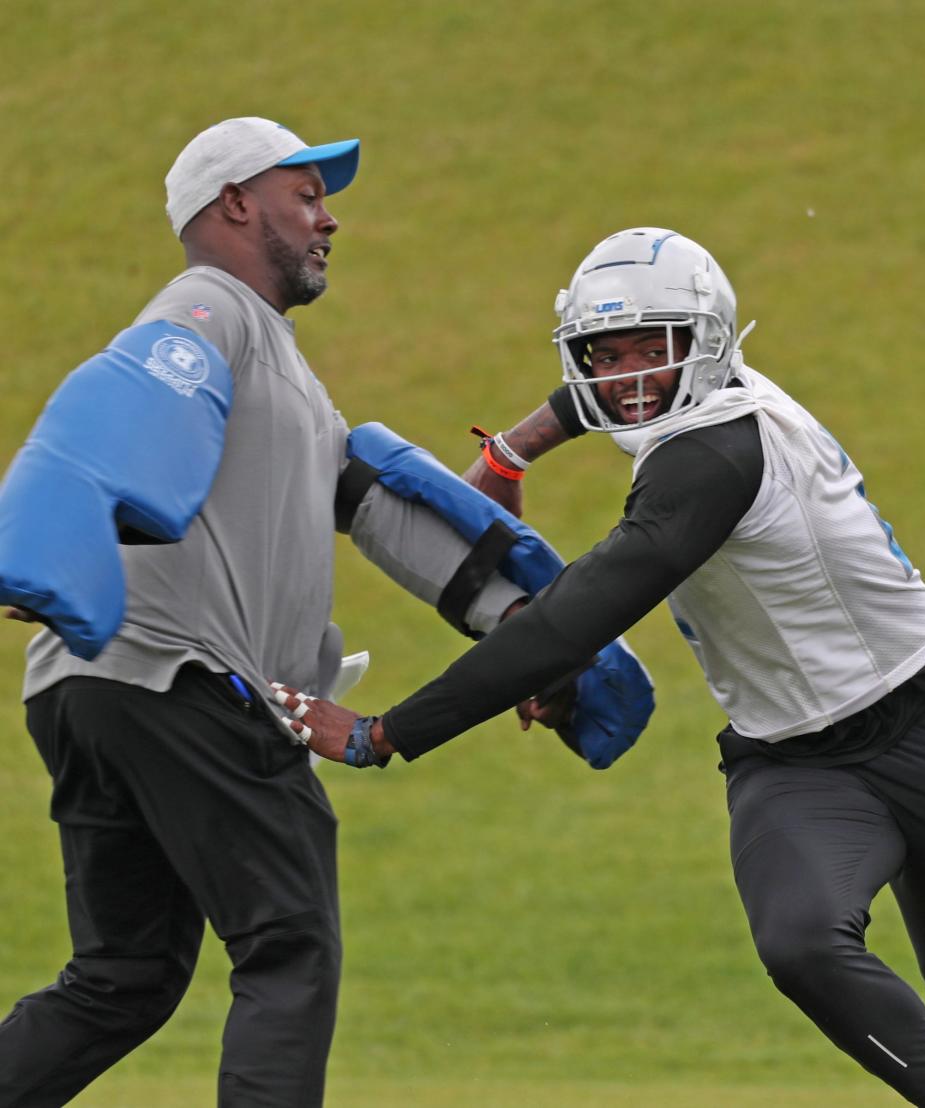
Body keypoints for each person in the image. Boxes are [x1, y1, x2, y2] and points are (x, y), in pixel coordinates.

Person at [282, 228, 925, 1107]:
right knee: (799, 942)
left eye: (654, 350)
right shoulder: (694, 398)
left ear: (705, 346)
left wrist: (382, 734)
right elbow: (593, 397)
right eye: (609, 354)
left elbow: (570, 623)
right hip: (797, 760)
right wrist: (510, 450)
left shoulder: (711, 456)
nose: (631, 378)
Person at [0, 116, 531, 1107]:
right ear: (236, 203)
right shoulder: (211, 307)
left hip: (94, 692)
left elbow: (390, 511)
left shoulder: (296, 389)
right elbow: (132, 397)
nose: (330, 220)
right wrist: (49, 530)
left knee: (124, 978)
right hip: (183, 680)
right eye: (308, 196)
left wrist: (532, 636)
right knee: (289, 944)